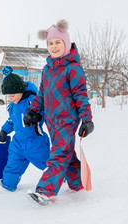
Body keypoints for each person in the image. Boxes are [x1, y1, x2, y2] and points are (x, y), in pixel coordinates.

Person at [24, 19, 94, 205]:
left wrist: (87, 119)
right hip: (51, 121)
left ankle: (46, 191)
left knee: (58, 155)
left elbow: (81, 95)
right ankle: (78, 183)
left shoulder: (73, 68)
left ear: (67, 44)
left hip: (68, 121)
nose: (54, 47)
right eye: (51, 43)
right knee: (66, 153)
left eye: (58, 42)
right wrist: (33, 110)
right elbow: (41, 93)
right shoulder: (47, 70)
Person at [0, 66, 50, 192]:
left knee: (48, 165)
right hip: (18, 143)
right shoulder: (13, 106)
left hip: (35, 143)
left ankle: (64, 179)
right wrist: (4, 130)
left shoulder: (33, 102)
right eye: (8, 96)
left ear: (21, 91)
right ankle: (7, 188)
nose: (10, 98)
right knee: (12, 166)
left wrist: (37, 116)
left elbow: (45, 113)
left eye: (13, 95)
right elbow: (11, 121)